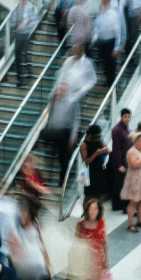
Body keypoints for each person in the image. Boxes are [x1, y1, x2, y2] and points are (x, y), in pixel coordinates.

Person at [43, 43, 97, 186]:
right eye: (59, 90)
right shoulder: (54, 100)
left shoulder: (72, 102)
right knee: (50, 156)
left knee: (63, 158)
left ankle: (62, 181)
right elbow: (48, 114)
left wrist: (73, 136)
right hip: (54, 130)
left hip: (65, 132)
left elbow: (76, 119)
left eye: (62, 90)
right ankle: (48, 178)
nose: (60, 92)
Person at [65, 199, 110, 280]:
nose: (93, 211)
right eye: (91, 208)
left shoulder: (102, 223)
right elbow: (75, 244)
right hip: (84, 262)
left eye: (95, 208)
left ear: (99, 210)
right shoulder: (80, 225)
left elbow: (105, 243)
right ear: (87, 210)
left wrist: (107, 259)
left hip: (98, 262)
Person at [8, 199, 52, 280]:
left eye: (24, 211)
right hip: (21, 266)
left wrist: (47, 259)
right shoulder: (14, 228)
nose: (22, 214)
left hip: (35, 264)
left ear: (29, 213)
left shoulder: (36, 225)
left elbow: (42, 242)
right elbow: (12, 247)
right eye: (20, 211)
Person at [94, 0, 125, 87]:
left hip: (110, 42)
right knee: (103, 61)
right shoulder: (101, 11)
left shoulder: (113, 13)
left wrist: (116, 47)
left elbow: (117, 31)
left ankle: (112, 82)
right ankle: (108, 80)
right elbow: (97, 24)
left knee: (110, 63)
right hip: (101, 41)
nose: (103, 0)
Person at [10, 0, 37, 87]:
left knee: (25, 54)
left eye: (24, 0)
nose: (22, 1)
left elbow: (35, 20)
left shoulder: (29, 9)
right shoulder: (15, 10)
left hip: (26, 35)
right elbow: (11, 23)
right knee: (17, 56)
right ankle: (19, 79)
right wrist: (14, 26)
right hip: (18, 35)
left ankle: (29, 71)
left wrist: (27, 25)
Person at [81, 125, 110, 205]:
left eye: (99, 135)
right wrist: (95, 154)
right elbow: (86, 161)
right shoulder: (84, 145)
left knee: (100, 194)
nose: (98, 137)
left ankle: (97, 212)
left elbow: (107, 150)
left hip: (99, 170)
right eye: (96, 136)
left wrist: (106, 150)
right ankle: (86, 214)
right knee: (88, 195)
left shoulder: (100, 140)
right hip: (89, 172)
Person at [110, 108, 133, 212]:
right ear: (121, 117)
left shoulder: (126, 128)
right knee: (123, 184)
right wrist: (120, 164)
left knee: (118, 183)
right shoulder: (117, 130)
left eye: (129, 117)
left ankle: (116, 205)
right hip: (119, 159)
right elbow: (116, 149)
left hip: (125, 158)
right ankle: (124, 206)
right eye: (125, 117)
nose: (127, 119)